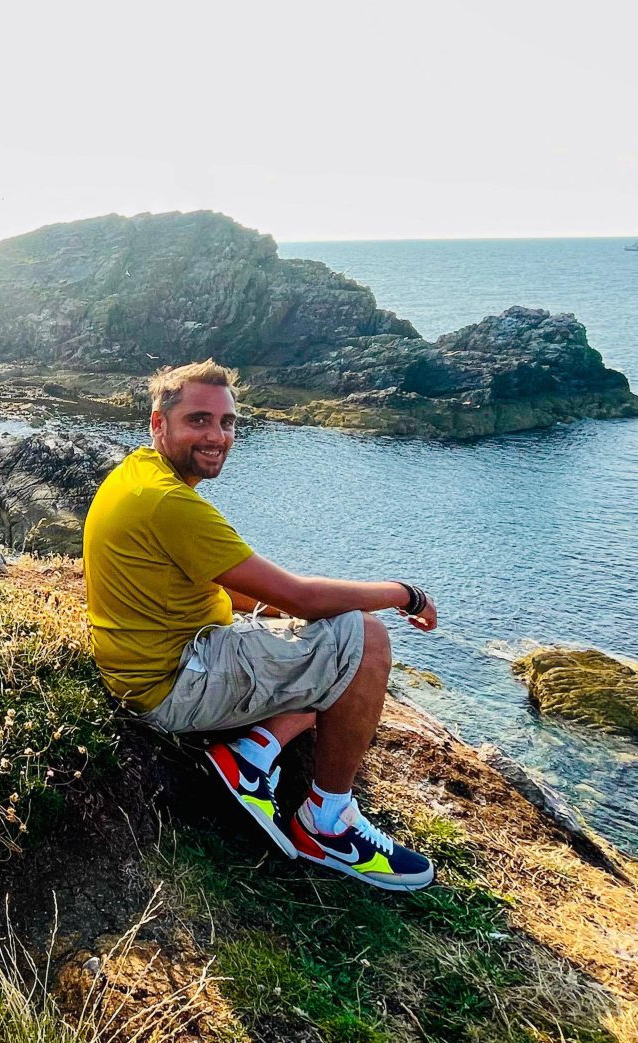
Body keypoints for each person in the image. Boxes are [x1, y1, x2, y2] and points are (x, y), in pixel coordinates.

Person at [82, 360, 438, 891]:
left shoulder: (138, 472)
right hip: (176, 685)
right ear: (159, 424)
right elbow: (303, 596)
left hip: (159, 665)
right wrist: (402, 593)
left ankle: (254, 753)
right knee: (364, 639)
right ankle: (327, 824)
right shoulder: (169, 502)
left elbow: (231, 584)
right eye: (199, 420)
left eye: (226, 423)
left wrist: (290, 615)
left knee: (322, 650)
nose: (217, 436)